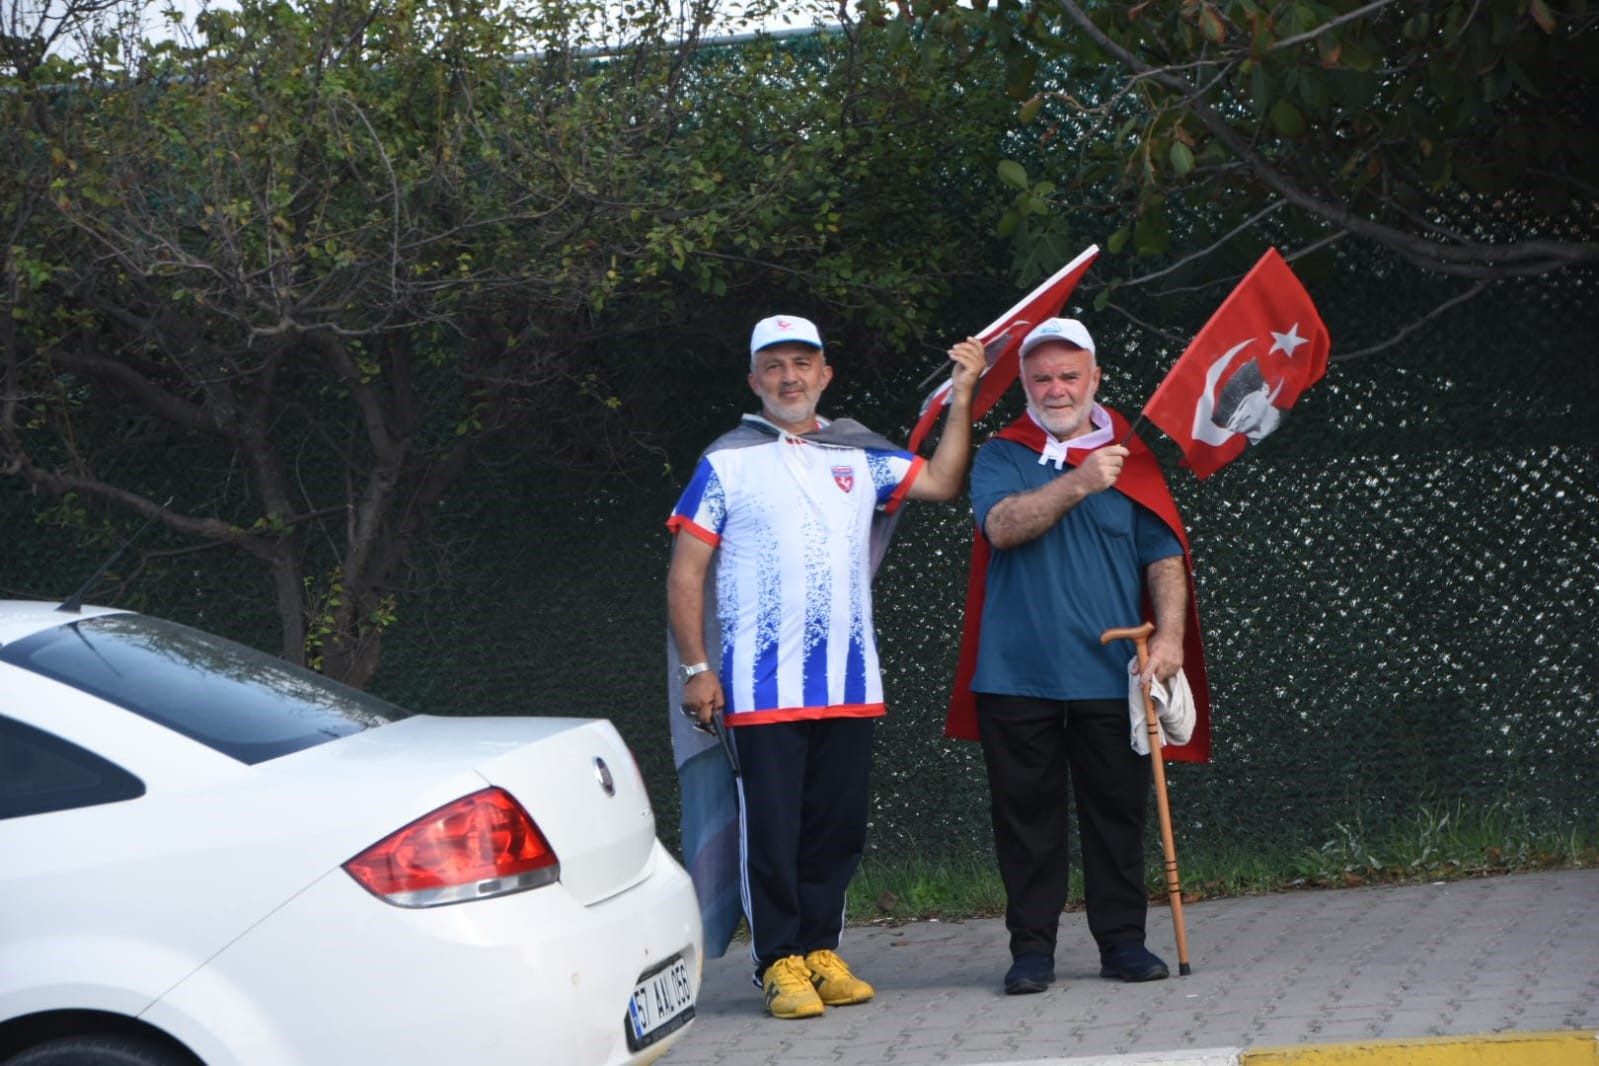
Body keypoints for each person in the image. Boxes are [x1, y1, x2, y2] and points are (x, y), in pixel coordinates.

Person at [667, 314, 986, 1020]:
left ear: (824, 374)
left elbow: (939, 480)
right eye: (774, 366)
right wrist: (697, 667)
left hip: (849, 683)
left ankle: (819, 950)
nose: (789, 377)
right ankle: (777, 961)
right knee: (772, 832)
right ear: (754, 380)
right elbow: (686, 571)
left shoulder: (858, 454)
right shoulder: (725, 461)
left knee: (836, 828)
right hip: (757, 686)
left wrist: (963, 396)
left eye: (801, 364)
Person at [945, 317, 1208, 995]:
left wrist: (1171, 639)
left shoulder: (1132, 455)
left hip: (1111, 672)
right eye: (1041, 378)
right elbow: (1001, 528)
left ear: (1094, 378)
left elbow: (1164, 559)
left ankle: (1122, 943)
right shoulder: (1004, 452)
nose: (1055, 390)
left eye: (1068, 376)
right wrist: (1078, 481)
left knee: (1115, 815)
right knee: (1025, 822)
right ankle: (1030, 951)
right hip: (1015, 674)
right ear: (1025, 384)